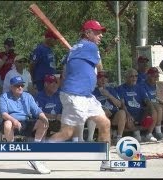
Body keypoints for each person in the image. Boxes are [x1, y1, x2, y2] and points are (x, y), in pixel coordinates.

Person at [48, 19, 124, 171]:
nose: (100, 35)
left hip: (84, 95)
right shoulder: (90, 46)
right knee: (67, 132)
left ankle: (105, 162)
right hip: (76, 95)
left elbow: (65, 72)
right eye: (97, 32)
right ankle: (37, 155)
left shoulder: (74, 49)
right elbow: (100, 67)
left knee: (105, 123)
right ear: (87, 33)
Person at [0, 75, 50, 174]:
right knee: (8, 123)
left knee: (42, 122)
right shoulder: (4, 96)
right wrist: (14, 121)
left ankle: (35, 149)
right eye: (17, 86)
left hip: (25, 122)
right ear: (11, 87)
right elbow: (3, 113)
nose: (20, 87)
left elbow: (36, 110)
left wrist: (44, 117)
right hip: (10, 121)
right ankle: (11, 148)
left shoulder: (28, 96)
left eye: (22, 85)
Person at [117, 68, 158, 142]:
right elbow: (122, 103)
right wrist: (128, 114)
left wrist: (151, 108)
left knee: (154, 111)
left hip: (140, 114)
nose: (134, 78)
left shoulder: (139, 87)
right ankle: (136, 133)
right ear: (126, 77)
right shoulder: (121, 88)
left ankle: (149, 134)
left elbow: (147, 100)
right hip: (129, 115)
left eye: (136, 76)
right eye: (131, 76)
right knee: (127, 119)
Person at [89, 71, 128, 143]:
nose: (103, 80)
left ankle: (119, 137)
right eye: (100, 78)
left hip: (114, 117)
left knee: (122, 112)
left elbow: (119, 105)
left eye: (105, 78)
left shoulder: (111, 89)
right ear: (96, 80)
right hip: (101, 117)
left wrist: (109, 95)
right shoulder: (93, 91)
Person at [140, 67, 163, 141]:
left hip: (154, 105)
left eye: (157, 76)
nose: (156, 78)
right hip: (144, 106)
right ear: (148, 76)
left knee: (161, 107)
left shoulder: (155, 85)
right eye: (154, 76)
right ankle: (149, 134)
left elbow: (158, 98)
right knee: (156, 109)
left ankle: (158, 132)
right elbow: (146, 100)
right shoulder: (143, 85)